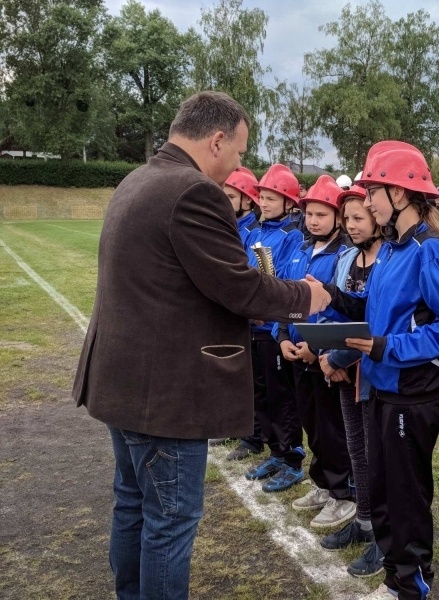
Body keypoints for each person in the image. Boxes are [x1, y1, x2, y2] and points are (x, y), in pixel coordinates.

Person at [72, 91, 330, 600]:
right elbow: (238, 286)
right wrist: (306, 295)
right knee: (169, 521)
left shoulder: (138, 180)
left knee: (132, 505)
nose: (238, 165)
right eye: (238, 151)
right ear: (215, 140)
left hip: (121, 382)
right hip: (164, 396)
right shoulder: (192, 192)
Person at [323, 140, 439, 600]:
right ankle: (394, 576)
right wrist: (331, 297)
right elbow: (376, 310)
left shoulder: (428, 249)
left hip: (412, 394)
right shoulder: (390, 249)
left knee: (406, 497)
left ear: (400, 194)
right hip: (380, 389)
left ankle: (411, 583)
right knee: (383, 491)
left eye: (373, 192)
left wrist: (387, 347)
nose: (365, 202)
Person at [275, 174, 355, 529]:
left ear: (337, 218)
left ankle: (343, 493)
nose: (313, 221)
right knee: (311, 424)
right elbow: (289, 299)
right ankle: (322, 484)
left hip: (321, 357)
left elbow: (339, 309)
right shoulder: (303, 251)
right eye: (309, 214)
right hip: (296, 352)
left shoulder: (342, 256)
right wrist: (282, 335)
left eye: (322, 215)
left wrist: (316, 346)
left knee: (330, 428)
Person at [318, 185, 385, 577]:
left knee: (377, 455)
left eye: (359, 217)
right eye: (348, 219)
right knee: (356, 449)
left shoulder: (388, 261)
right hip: (344, 371)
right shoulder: (348, 259)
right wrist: (329, 356)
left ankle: (382, 532)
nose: (350, 225)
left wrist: (337, 356)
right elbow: (340, 314)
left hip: (371, 374)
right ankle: (363, 520)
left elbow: (375, 324)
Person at [233, 165, 308, 491]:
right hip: (251, 326)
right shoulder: (253, 232)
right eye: (262, 197)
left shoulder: (292, 236)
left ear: (289, 201)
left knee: (282, 397)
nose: (264, 202)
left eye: (272, 198)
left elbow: (287, 284)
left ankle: (292, 457)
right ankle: (275, 450)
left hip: (273, 330)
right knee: (261, 392)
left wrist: (272, 314)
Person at [223, 166, 260, 239]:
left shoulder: (256, 233)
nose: (225, 201)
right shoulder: (226, 226)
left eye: (231, 197)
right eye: (224, 196)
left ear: (248, 199)